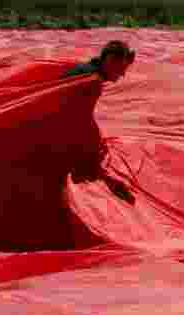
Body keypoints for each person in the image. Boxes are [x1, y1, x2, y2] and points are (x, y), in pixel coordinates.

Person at [62, 40, 136, 203]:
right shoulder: (93, 80)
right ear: (110, 60)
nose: (123, 75)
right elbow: (81, 119)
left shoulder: (87, 69)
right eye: (121, 69)